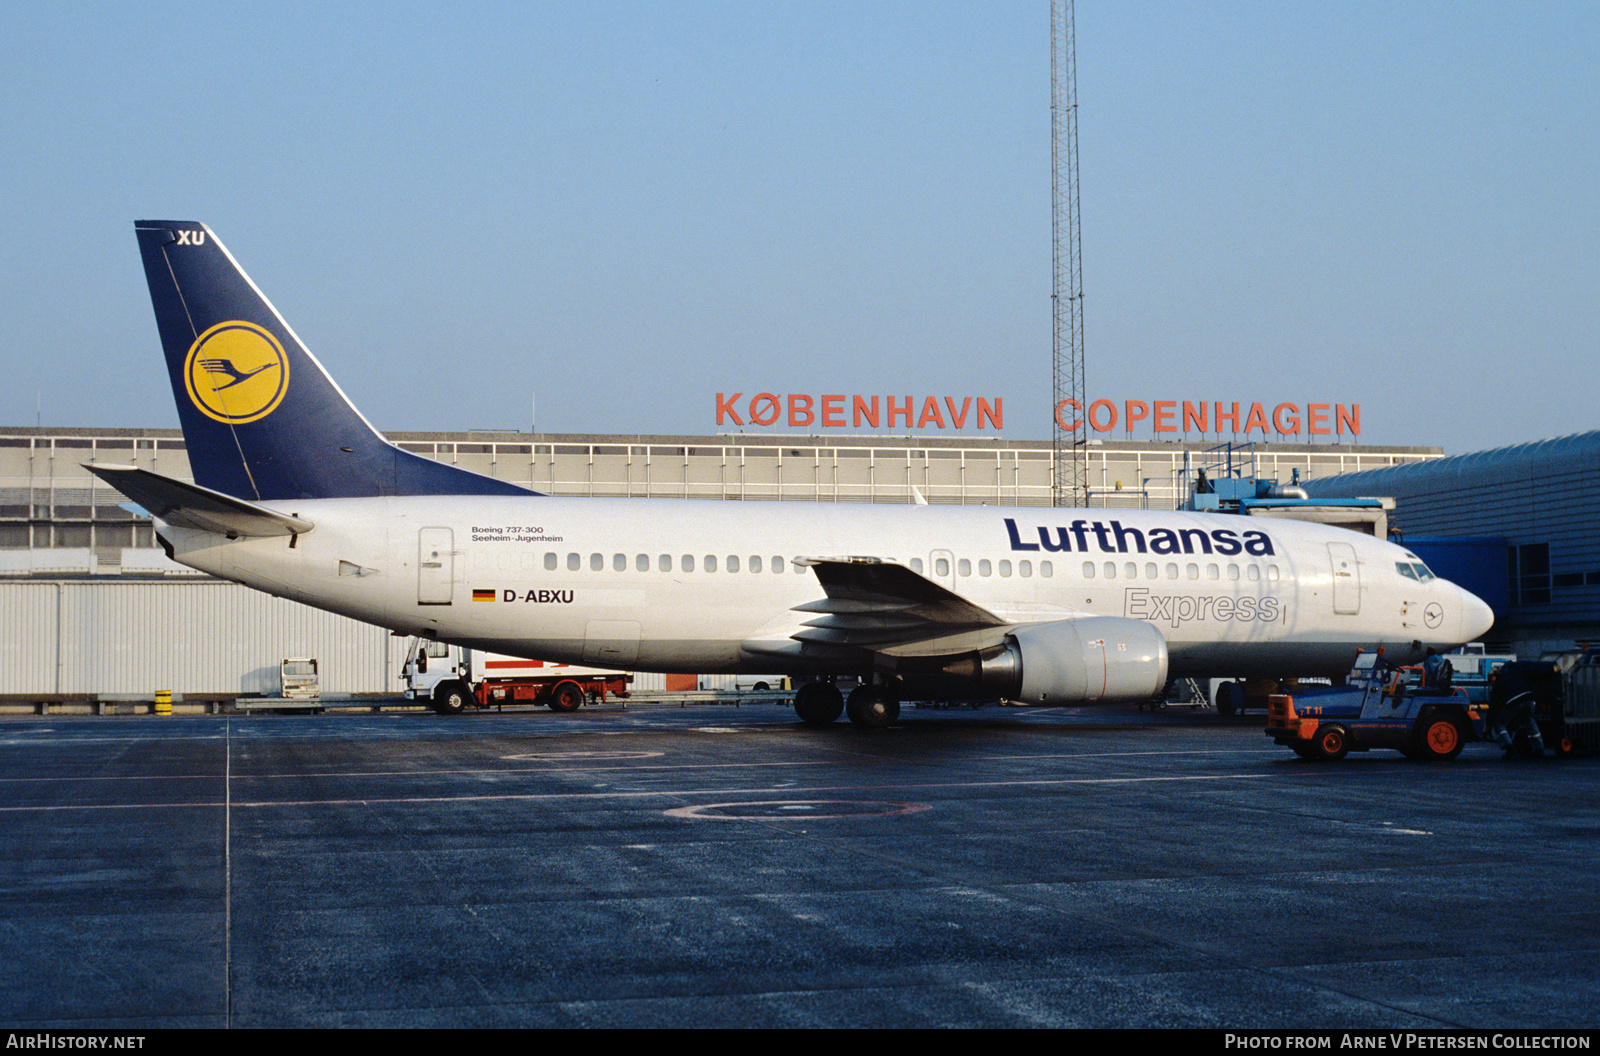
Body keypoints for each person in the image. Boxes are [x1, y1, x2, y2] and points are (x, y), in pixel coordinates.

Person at [1489, 665, 1544, 759]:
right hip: (1529, 699)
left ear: (1494, 677)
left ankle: (1510, 748)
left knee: (1499, 724)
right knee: (1530, 721)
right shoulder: (1513, 675)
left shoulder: (1498, 683)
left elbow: (1494, 707)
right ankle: (1539, 748)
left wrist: (1488, 724)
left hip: (1514, 701)